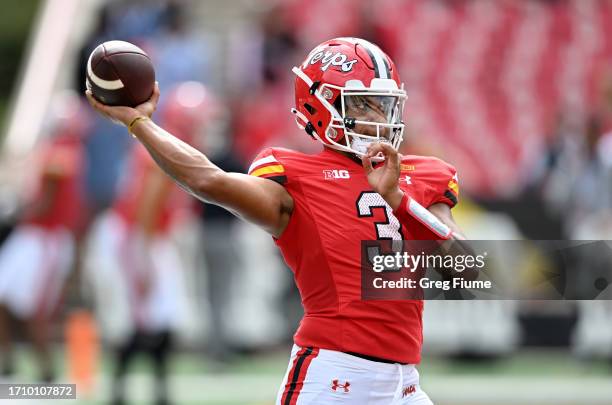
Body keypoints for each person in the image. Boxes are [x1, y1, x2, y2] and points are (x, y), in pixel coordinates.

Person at [87, 37, 464, 405]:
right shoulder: (297, 178)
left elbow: (468, 270)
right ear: (321, 106)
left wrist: (399, 200)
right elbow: (208, 180)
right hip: (336, 375)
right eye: (364, 105)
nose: (379, 118)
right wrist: (140, 123)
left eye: (385, 105)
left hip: (406, 383)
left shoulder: (422, 174)